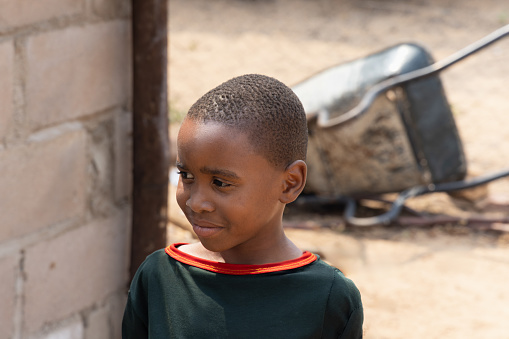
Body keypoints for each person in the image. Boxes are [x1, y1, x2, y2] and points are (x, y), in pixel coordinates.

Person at [122, 74, 364, 338]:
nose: (196, 202)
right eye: (186, 176)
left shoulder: (328, 297)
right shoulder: (160, 278)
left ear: (289, 184)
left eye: (220, 183)